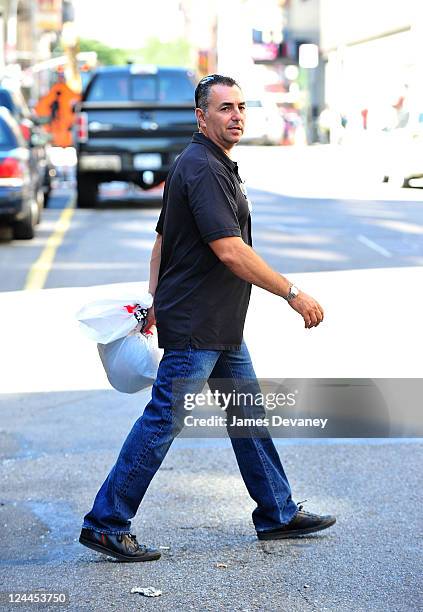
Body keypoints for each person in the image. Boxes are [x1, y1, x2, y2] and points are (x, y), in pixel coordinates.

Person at [79, 74, 336, 562]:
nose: (236, 115)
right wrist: (292, 292)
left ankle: (277, 512)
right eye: (224, 108)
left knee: (247, 415)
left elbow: (162, 241)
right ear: (202, 116)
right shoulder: (202, 168)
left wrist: (155, 300)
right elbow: (231, 251)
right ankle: (107, 522)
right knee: (163, 420)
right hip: (200, 324)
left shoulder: (205, 164)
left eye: (241, 107)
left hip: (218, 323)